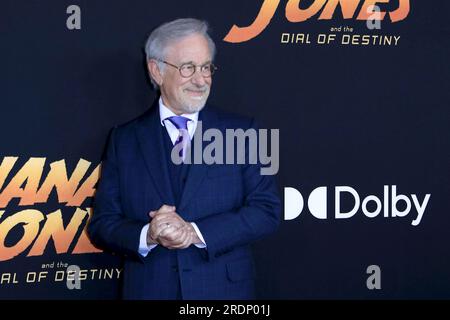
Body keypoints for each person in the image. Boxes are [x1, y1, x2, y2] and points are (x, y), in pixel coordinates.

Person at [88, 18, 280, 300]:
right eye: (188, 67)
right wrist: (148, 235)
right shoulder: (124, 140)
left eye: (206, 68)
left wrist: (195, 232)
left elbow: (267, 211)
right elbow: (103, 224)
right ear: (156, 70)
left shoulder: (246, 131)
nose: (200, 80)